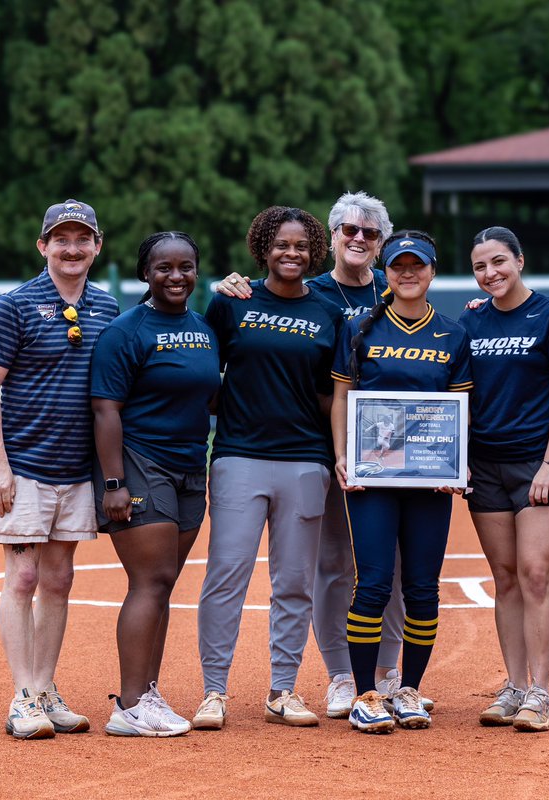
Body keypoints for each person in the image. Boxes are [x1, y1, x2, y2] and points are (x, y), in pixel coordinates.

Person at [214, 191, 417, 718]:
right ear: (332, 240)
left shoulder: (398, 289)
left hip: (389, 450)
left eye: (370, 234)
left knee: (386, 564)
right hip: (322, 451)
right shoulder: (312, 295)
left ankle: (389, 673)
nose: (359, 239)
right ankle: (342, 675)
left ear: (382, 245)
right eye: (349, 230)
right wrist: (229, 286)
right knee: (331, 563)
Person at [191, 206, 345, 730]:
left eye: (302, 245)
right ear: (263, 246)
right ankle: (214, 691)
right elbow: (201, 376)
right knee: (226, 574)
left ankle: (283, 690)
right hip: (239, 455)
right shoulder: (231, 302)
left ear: (314, 251)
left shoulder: (329, 312)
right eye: (281, 243)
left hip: (305, 460)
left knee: (295, 581)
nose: (292, 253)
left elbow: (333, 395)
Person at [0, 198, 119, 739]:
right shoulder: (13, 305)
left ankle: (44, 688)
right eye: (62, 239)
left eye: (83, 238)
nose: (73, 247)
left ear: (97, 246)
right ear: (44, 246)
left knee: (58, 578)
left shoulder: (107, 308)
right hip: (25, 465)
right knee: (24, 576)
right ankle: (22, 697)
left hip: (76, 468)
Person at [331, 230, 473, 733]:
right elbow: (343, 398)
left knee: (421, 587)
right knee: (370, 584)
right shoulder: (361, 327)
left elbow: (462, 410)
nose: (408, 273)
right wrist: (342, 457)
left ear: (432, 272)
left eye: (417, 265)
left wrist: (457, 463)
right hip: (374, 478)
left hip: (431, 481)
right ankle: (367, 693)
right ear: (385, 271)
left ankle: (409, 688)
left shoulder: (452, 333)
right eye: (398, 266)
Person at [91, 231, 219, 737]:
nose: (176, 276)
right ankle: (129, 703)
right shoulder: (128, 331)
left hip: (191, 465)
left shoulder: (203, 328)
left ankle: (147, 693)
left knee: (163, 584)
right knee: (149, 581)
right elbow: (105, 409)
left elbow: (209, 397)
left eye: (185, 266)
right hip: (142, 464)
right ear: (146, 273)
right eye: (164, 267)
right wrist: (114, 482)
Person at [458, 226, 549, 733]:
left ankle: (540, 693)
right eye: (481, 266)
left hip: (538, 461)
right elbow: (460, 397)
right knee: (505, 577)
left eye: (499, 262)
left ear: (520, 261)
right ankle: (512, 686)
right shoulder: (470, 323)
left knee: (535, 573)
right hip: (484, 464)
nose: (491, 273)